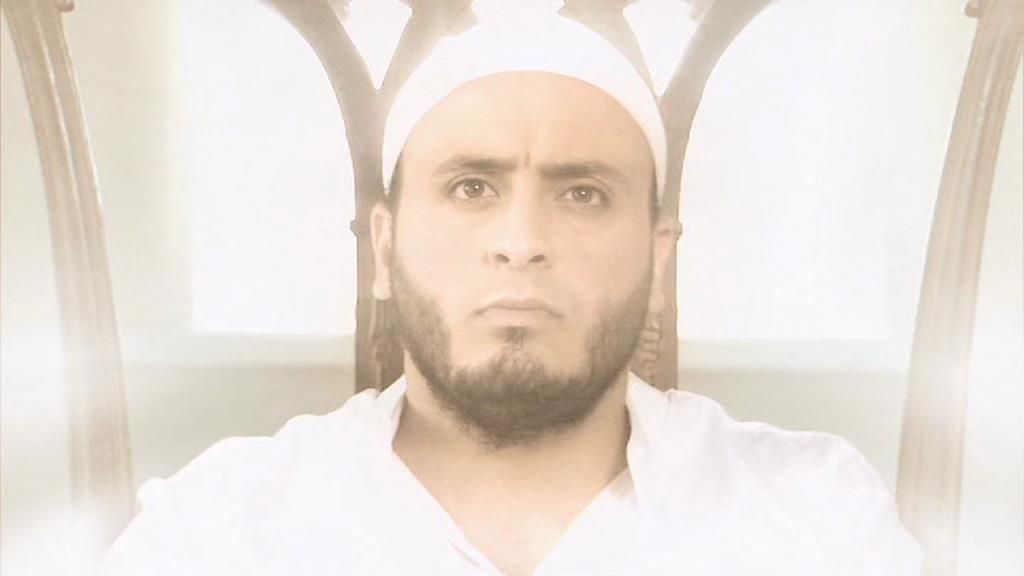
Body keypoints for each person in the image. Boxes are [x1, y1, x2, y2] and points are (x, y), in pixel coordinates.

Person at [102, 15, 921, 576]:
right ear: (384, 248)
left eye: (583, 194)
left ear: (658, 258)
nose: (522, 240)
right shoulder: (221, 529)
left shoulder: (813, 519)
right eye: (471, 188)